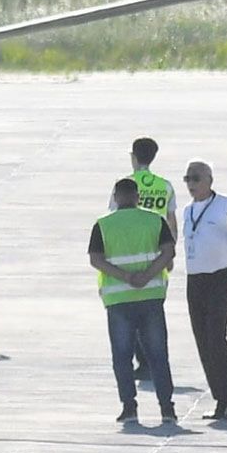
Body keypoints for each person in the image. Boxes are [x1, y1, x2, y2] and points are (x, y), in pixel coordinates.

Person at [89, 178, 177, 424]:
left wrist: (125, 277)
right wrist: (147, 276)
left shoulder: (103, 225)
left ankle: (129, 407)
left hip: (118, 300)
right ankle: (167, 409)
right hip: (150, 296)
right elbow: (168, 252)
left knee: (122, 355)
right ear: (138, 197)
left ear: (116, 198)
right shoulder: (154, 220)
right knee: (158, 355)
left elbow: (96, 259)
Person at [181, 160, 227, 420]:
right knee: (202, 339)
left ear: (210, 180)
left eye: (196, 178)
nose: (191, 184)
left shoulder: (226, 204)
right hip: (195, 278)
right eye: (187, 179)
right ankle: (219, 400)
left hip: (221, 277)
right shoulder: (188, 211)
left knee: (216, 336)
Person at [108, 137, 179, 380]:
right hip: (158, 254)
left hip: (128, 253)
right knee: (153, 309)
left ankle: (143, 361)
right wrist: (171, 252)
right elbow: (171, 221)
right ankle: (152, 360)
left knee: (130, 309)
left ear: (134, 157)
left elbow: (114, 218)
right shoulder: (165, 186)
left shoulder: (125, 185)